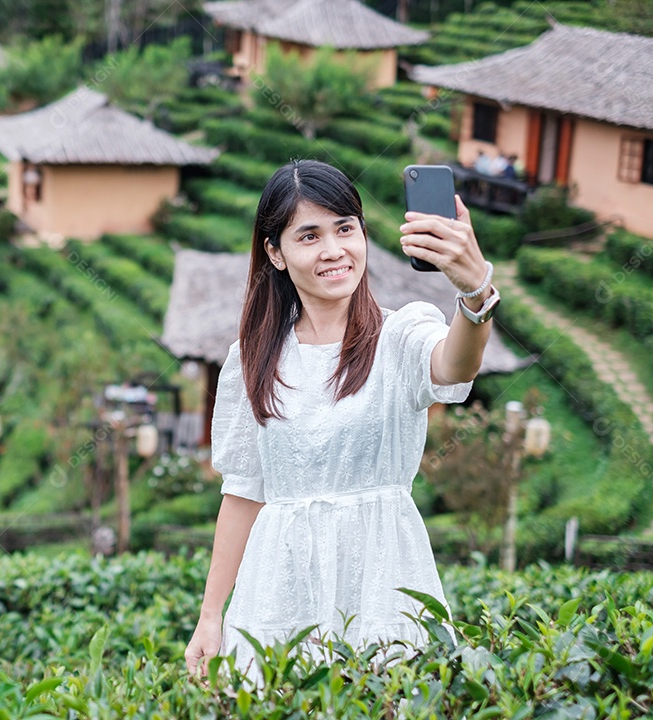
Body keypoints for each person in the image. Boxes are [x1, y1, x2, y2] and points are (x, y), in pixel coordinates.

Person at [183, 160, 497, 691]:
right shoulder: (253, 359)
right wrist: (211, 614)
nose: (334, 250)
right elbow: (243, 493)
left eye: (345, 228)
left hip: (383, 578)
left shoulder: (402, 335)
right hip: (279, 588)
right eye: (310, 235)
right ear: (275, 253)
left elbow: (454, 366)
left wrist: (476, 294)